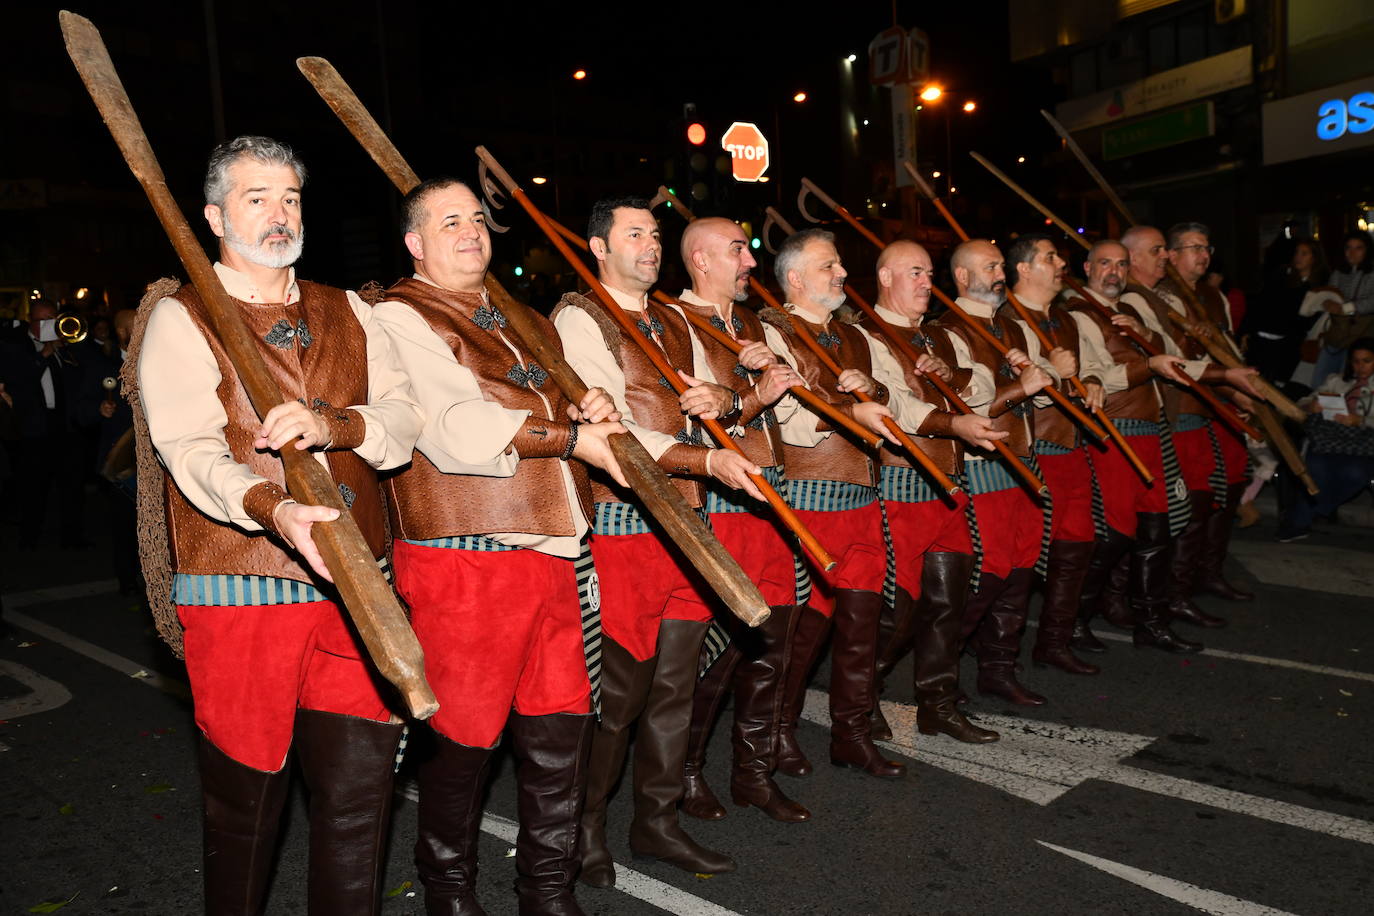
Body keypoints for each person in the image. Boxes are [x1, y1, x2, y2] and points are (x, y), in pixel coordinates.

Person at [131, 135, 424, 914]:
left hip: (356, 584)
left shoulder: (351, 308)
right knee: (246, 809)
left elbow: (401, 420)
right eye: (256, 197)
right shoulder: (182, 315)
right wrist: (273, 508)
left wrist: (337, 426)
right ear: (214, 213)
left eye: (289, 197)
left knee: (361, 801)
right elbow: (187, 449)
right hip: (240, 586)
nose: (277, 213)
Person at [373, 178, 626, 915]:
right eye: (448, 221)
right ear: (414, 243)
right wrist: (573, 435)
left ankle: (547, 893)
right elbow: (453, 426)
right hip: (466, 557)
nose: (470, 230)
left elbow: (554, 403)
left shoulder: (515, 317)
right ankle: (449, 894)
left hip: (552, 549)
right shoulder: (396, 314)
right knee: (463, 745)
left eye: (477, 219)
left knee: (560, 734)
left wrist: (587, 404)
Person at [552, 198, 761, 884]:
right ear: (599, 246)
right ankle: (583, 831)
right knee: (620, 695)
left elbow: (722, 391)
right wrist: (700, 456)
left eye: (655, 234)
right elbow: (612, 431)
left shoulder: (671, 317)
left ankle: (657, 823)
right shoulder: (580, 316)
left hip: (689, 520)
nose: (649, 244)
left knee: (676, 687)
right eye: (634, 234)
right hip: (625, 524)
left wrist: (722, 402)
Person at [758, 228, 930, 781]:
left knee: (861, 625)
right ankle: (778, 730)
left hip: (862, 496)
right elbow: (793, 420)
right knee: (799, 629)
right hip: (806, 500)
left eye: (839, 265)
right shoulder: (771, 329)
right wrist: (846, 401)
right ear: (795, 278)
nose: (841, 274)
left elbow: (892, 409)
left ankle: (851, 735)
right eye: (828, 266)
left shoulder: (853, 336)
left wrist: (874, 392)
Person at [671, 217, 816, 823]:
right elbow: (693, 413)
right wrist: (751, 382)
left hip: (771, 496)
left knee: (771, 642)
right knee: (718, 650)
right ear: (701, 260)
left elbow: (801, 406)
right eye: (738, 251)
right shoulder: (671, 324)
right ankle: (685, 771)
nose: (750, 263)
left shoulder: (754, 325)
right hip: (723, 500)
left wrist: (780, 371)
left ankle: (752, 773)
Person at [860, 239, 1004, 742]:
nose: (927, 282)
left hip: (950, 486)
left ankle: (937, 704)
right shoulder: (865, 336)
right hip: (900, 487)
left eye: (929, 273)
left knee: (949, 603)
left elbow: (984, 385)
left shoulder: (942, 337)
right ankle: (862, 700)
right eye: (915, 273)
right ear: (885, 277)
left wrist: (953, 374)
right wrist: (954, 419)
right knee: (897, 612)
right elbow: (897, 409)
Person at [1119, 225, 1257, 649]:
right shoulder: (1136, 301)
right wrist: (1223, 375)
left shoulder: (1208, 296)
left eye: (1205, 247)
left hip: (1194, 411)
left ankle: (1177, 592)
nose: (1166, 257)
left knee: (1198, 504)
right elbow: (1172, 360)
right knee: (1164, 515)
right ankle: (1147, 602)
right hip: (1167, 416)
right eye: (1160, 250)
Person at [1062, 240, 1202, 652]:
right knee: (1115, 535)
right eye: (1105, 263)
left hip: (1150, 426)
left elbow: (1173, 357)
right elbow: (1093, 375)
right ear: (1087, 267)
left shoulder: (1131, 310)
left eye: (1122, 265)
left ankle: (1150, 622)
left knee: (1158, 527)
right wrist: (1145, 365)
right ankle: (1075, 620)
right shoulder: (1077, 312)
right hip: (1114, 429)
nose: (1114, 272)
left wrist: (1144, 335)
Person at [936, 239, 1059, 705]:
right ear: (963, 277)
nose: (1001, 273)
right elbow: (965, 406)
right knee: (987, 571)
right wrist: (1019, 387)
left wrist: (1045, 383)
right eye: (991, 266)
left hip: (1023, 459)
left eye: (1002, 264)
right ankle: (942, 670)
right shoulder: (946, 330)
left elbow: (1040, 395)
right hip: (981, 463)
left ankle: (998, 668)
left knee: (1023, 567)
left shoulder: (1012, 327)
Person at [0, 298, 86, 549]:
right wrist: (44, 354)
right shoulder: (15, 346)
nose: (49, 325)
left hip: (65, 427)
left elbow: (79, 380)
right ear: (31, 320)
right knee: (33, 489)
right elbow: (19, 381)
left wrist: (64, 350)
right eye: (43, 320)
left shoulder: (65, 345)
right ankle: (30, 539)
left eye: (53, 319)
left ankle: (73, 538)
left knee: (72, 487)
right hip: (33, 430)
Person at [1278, 338, 1374, 541]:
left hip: (1361, 445)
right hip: (1328, 440)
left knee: (1356, 474)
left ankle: (1300, 519)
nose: (1360, 366)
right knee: (1316, 470)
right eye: (1356, 361)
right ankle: (1301, 521)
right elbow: (1300, 404)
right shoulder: (1336, 380)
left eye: (1366, 361)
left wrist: (1361, 420)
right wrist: (1312, 405)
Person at [1243, 238, 1329, 383]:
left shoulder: (1318, 286)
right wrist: (1246, 331)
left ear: (1314, 258)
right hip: (1262, 338)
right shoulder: (1282, 275)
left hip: (1288, 347)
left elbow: (1305, 321)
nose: (1298, 257)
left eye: (1304, 254)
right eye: (1297, 252)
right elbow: (1261, 304)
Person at [1311, 230, 1374, 383]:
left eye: (1358, 248)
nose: (1352, 252)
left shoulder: (1371, 273)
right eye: (1348, 248)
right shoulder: (1339, 272)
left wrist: (1346, 308)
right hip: (1338, 332)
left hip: (1362, 333)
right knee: (1321, 380)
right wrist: (1327, 302)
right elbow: (1330, 292)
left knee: (1350, 380)